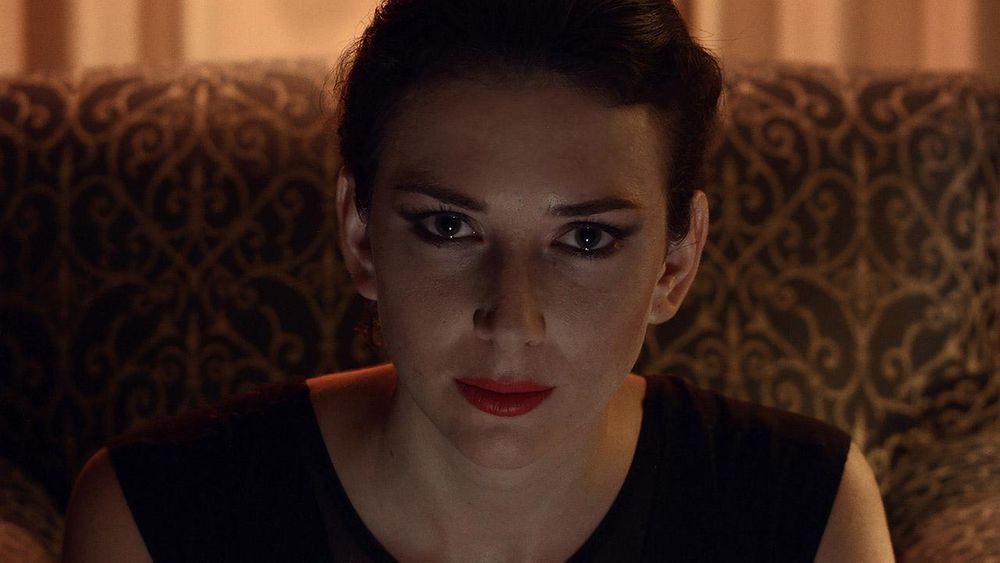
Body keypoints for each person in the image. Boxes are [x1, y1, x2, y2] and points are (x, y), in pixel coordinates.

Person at [61, 0, 895, 561]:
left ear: (676, 261)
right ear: (359, 232)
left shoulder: (805, 512)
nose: (511, 320)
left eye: (587, 238)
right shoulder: (153, 518)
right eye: (448, 227)